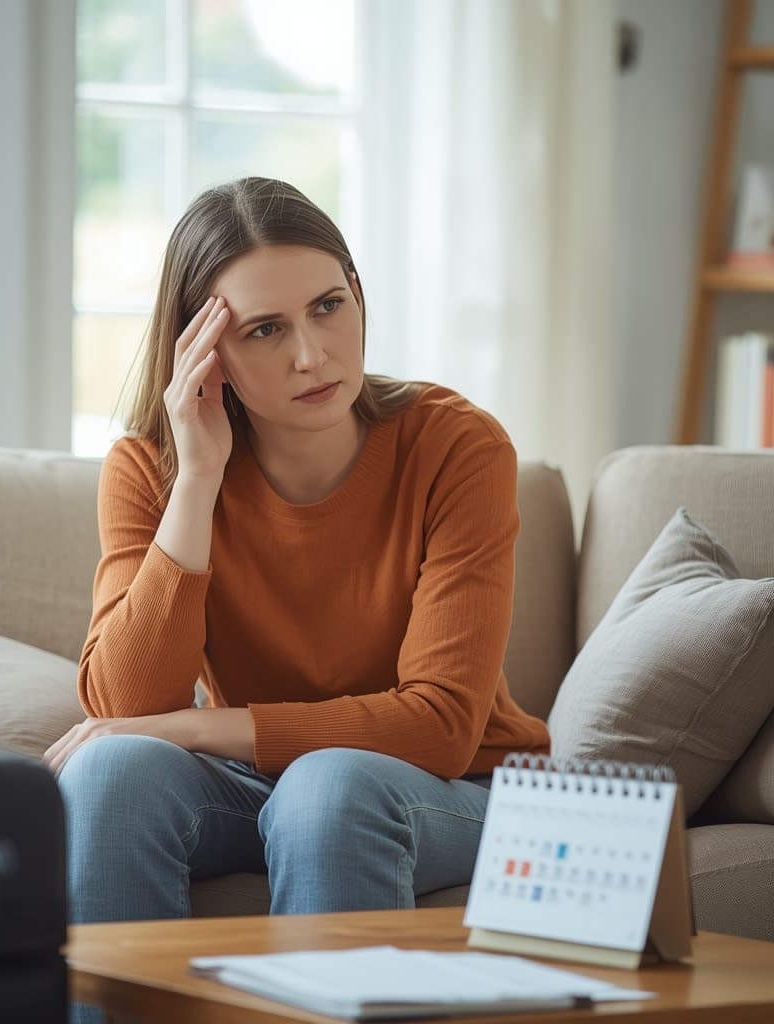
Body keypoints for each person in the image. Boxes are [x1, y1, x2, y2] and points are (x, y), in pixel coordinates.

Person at [45, 176, 550, 928]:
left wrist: (194, 728)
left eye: (327, 307)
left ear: (356, 291)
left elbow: (440, 725)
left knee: (328, 789)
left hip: (457, 790)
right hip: (260, 782)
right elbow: (125, 707)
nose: (312, 355)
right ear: (204, 353)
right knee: (112, 773)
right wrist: (199, 482)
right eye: (264, 330)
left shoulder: (456, 446)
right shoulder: (149, 469)